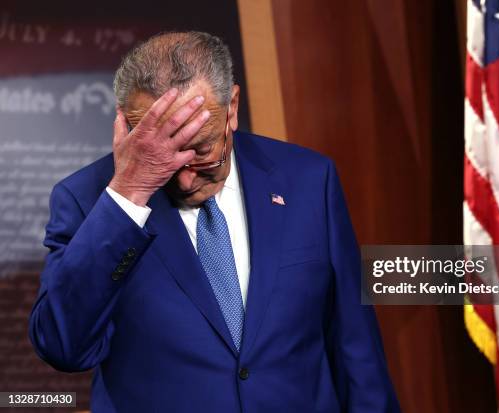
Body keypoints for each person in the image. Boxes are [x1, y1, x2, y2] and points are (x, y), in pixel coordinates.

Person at [28, 31, 400, 412]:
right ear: (126, 124)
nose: (186, 177)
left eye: (202, 150)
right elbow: (64, 348)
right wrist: (129, 193)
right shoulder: (86, 200)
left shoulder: (307, 179)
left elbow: (356, 348)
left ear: (232, 107)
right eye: (166, 154)